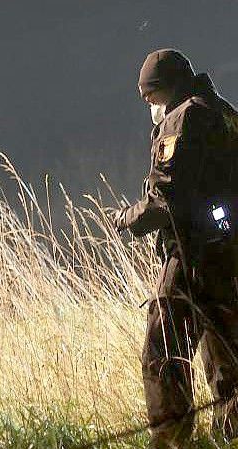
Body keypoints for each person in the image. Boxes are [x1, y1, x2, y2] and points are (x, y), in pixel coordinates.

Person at [113, 48, 238, 447]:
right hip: (230, 253)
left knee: (162, 352)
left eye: (149, 98)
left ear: (161, 89)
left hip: (193, 255)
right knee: (228, 359)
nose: (149, 107)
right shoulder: (226, 113)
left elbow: (167, 199)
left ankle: (172, 441)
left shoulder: (182, 118)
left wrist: (128, 218)